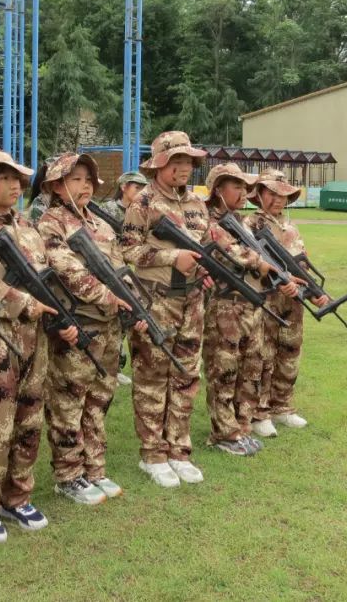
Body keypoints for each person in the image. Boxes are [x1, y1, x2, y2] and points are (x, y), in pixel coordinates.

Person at [0, 151, 76, 541]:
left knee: (29, 417)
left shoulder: (27, 226)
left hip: (35, 336)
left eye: (17, 179)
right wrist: (26, 303)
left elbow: (46, 276)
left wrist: (58, 316)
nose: (14, 185)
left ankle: (17, 496)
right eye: (3, 178)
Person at [35, 153, 146, 504]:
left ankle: (94, 467)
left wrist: (137, 306)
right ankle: (68, 474)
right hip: (78, 324)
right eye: (76, 179)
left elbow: (120, 269)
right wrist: (111, 297)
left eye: (88, 180)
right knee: (69, 402)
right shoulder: (51, 222)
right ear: (55, 185)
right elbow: (68, 270)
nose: (85, 186)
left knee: (99, 398)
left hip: (109, 328)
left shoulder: (99, 224)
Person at [120, 131, 213, 488]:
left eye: (188, 161)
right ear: (159, 163)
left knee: (187, 376)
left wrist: (203, 267)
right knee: (152, 377)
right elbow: (127, 250)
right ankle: (153, 454)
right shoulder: (142, 203)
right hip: (156, 300)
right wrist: (172, 256)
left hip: (192, 302)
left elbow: (204, 245)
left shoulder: (196, 203)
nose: (183, 168)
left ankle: (179, 449)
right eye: (176, 161)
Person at [202, 163, 296, 456]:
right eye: (237, 187)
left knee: (251, 368)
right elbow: (235, 253)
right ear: (218, 189)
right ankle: (224, 433)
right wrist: (262, 263)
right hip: (225, 307)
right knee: (225, 370)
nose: (244, 193)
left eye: (245, 187)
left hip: (251, 305)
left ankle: (241, 426)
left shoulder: (239, 222)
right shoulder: (208, 222)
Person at [247, 169, 328, 437]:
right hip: (266, 298)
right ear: (259, 194)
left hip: (293, 301)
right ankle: (259, 412)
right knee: (263, 354)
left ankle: (282, 406)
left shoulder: (290, 227)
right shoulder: (250, 225)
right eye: (272, 193)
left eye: (283, 194)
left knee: (290, 351)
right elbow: (251, 265)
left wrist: (315, 292)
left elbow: (302, 263)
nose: (278, 199)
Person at [101, 170, 150, 386]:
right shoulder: (109, 210)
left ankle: (117, 365)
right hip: (112, 269)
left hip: (132, 270)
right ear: (124, 187)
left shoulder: (141, 211)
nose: (140, 192)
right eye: (136, 187)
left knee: (127, 319)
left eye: (143, 188)